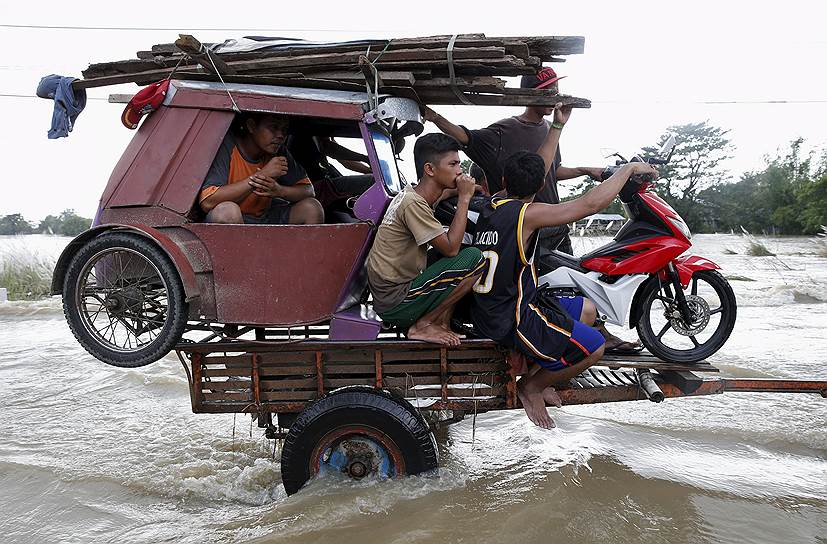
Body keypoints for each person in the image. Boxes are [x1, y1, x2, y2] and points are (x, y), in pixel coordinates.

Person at [423, 67, 642, 352]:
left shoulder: (547, 131)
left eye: (555, 89)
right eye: (548, 91)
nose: (555, 96)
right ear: (529, 95)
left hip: (553, 222)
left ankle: (589, 331)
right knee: (535, 289)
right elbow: (465, 137)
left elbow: (552, 168)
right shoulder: (503, 131)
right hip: (529, 223)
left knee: (575, 283)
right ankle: (560, 343)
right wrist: (434, 116)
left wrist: (584, 169)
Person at [471, 104, 658, 428]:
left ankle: (542, 376)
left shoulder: (490, 205)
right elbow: (590, 204)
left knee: (587, 310)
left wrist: (557, 126)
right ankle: (532, 386)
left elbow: (538, 170)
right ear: (539, 186)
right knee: (595, 346)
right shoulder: (528, 215)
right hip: (510, 316)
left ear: (503, 179)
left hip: (491, 306)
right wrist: (626, 170)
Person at [366, 133, 485, 346]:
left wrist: (469, 189)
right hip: (396, 302)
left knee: (442, 253)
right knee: (473, 257)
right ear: (430, 169)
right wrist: (464, 198)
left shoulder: (413, 194)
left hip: (392, 294)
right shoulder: (413, 205)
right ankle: (424, 324)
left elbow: (439, 195)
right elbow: (451, 249)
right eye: (453, 164)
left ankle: (440, 323)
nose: (459, 170)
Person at [198, 113, 324, 225]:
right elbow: (207, 201)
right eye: (273, 127)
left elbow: (308, 190)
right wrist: (262, 176)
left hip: (265, 217)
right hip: (234, 219)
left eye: (284, 130)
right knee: (227, 211)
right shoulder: (228, 146)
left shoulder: (278, 151)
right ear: (251, 126)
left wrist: (279, 191)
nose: (280, 135)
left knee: (312, 208)